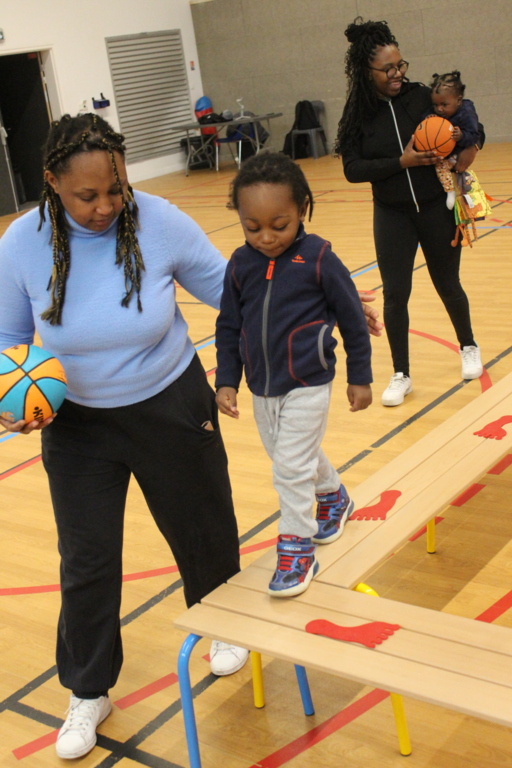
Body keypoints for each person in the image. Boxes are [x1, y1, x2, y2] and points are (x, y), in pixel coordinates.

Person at [0, 113, 251, 760]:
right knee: (86, 560)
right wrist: (8, 404)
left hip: (170, 400)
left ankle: (225, 624)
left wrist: (318, 301)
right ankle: (88, 691)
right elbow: (8, 341)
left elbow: (234, 291)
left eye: (116, 188)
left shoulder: (158, 220)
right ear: (52, 182)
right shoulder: (21, 243)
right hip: (76, 425)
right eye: (87, 195)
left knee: (202, 527)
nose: (106, 206)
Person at [215, 152, 373, 598]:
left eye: (279, 225)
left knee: (289, 467)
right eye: (252, 227)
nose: (266, 237)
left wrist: (359, 376)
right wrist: (226, 380)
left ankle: (297, 548)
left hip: (309, 382)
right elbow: (228, 326)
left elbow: (353, 320)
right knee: (291, 457)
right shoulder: (240, 264)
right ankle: (334, 496)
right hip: (262, 387)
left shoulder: (319, 258)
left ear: (302, 209)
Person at [335, 18, 484, 407]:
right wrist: (400, 162)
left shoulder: (421, 97)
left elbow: (468, 119)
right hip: (392, 214)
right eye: (387, 69)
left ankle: (469, 345)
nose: (397, 73)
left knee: (448, 283)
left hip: (436, 207)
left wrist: (470, 147)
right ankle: (401, 373)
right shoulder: (358, 113)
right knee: (395, 294)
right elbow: (352, 169)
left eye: (400, 65)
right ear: (366, 71)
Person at [426, 70, 481, 210]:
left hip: (457, 153)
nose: (439, 109)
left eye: (444, 105)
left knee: (442, 167)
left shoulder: (466, 112)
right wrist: (427, 119)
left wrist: (462, 136)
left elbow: (474, 135)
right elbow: (426, 116)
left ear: (458, 100)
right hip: (444, 152)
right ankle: (458, 192)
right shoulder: (436, 111)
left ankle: (452, 192)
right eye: (435, 105)